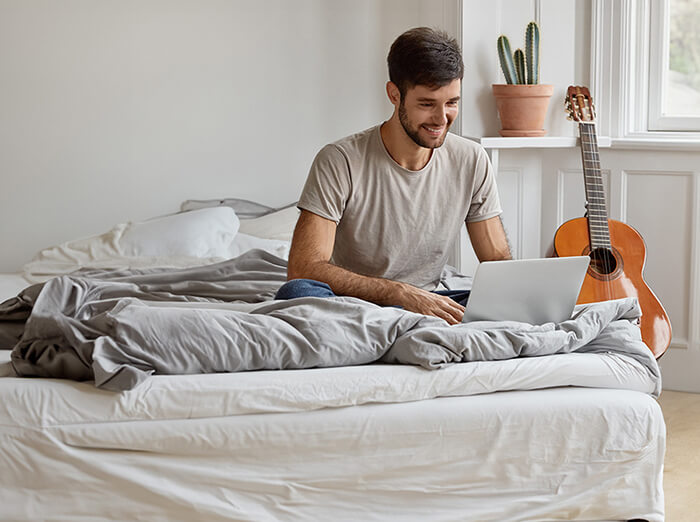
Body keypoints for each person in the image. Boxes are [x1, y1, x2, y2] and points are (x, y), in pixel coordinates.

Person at [276, 27, 511, 325]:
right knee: (296, 292)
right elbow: (304, 268)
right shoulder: (340, 160)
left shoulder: (472, 159)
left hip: (429, 303)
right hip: (352, 303)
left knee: (492, 303)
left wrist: (524, 297)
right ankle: (400, 324)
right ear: (394, 94)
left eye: (452, 103)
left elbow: (499, 262)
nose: (442, 119)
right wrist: (399, 293)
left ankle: (398, 326)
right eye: (427, 104)